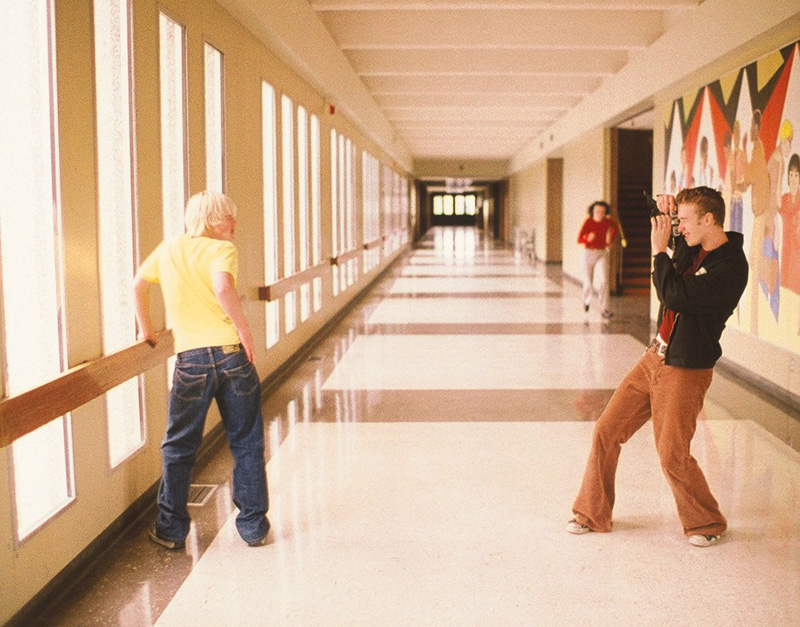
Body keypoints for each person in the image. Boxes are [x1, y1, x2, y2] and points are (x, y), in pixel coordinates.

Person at [567, 186, 748, 547]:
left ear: (709, 220)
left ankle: (707, 522)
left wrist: (658, 250)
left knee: (672, 455)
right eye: (678, 221)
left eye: (685, 221)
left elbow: (675, 295)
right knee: (605, 431)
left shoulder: (730, 267)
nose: (680, 227)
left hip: (686, 368)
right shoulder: (693, 246)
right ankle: (592, 513)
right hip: (654, 357)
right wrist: (663, 210)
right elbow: (671, 254)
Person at [134, 191, 270, 549]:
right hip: (231, 356)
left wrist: (146, 330)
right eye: (228, 217)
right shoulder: (222, 250)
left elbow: (138, 286)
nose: (234, 224)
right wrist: (244, 331)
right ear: (210, 220)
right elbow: (223, 288)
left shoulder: (168, 249)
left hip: (191, 360)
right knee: (247, 440)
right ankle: (253, 526)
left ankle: (170, 529)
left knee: (179, 445)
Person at [577, 200, 619, 319]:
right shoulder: (588, 222)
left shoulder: (608, 222)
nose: (600, 214)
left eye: (602, 212)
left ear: (605, 212)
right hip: (589, 253)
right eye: (597, 211)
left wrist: (611, 241)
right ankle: (586, 301)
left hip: (602, 253)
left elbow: (615, 229)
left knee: (604, 281)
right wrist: (587, 239)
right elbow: (579, 239)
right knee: (588, 281)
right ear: (592, 212)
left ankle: (604, 308)